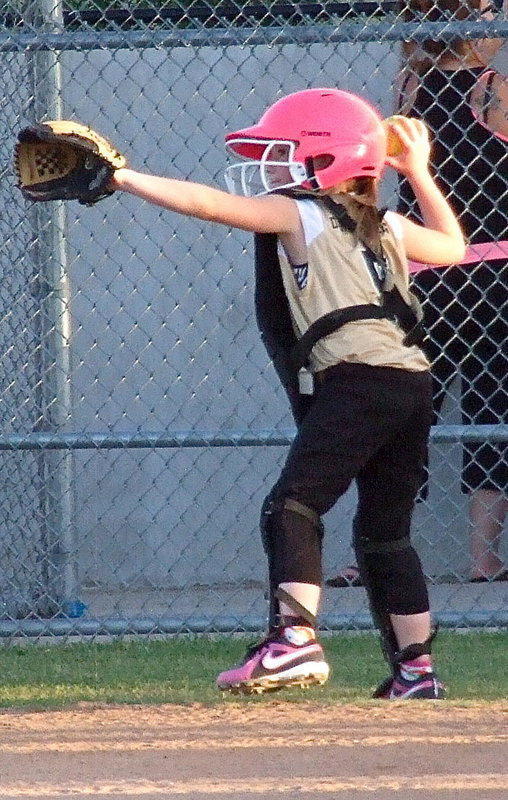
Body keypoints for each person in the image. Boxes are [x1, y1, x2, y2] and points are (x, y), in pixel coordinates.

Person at [109, 88, 465, 698]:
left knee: (293, 506)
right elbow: (455, 247)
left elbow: (210, 204)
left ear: (330, 162)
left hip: (358, 379)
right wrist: (420, 174)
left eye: (287, 156)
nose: (273, 171)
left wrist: (125, 178)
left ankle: (294, 641)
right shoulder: (387, 224)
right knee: (386, 532)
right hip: (411, 383)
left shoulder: (303, 214)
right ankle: (417, 671)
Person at [328, 0, 508, 587]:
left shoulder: (412, 86)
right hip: (470, 269)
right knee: (465, 402)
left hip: (439, 267)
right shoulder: (489, 91)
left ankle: (444, 555)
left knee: (421, 401)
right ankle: (468, 558)